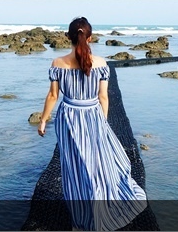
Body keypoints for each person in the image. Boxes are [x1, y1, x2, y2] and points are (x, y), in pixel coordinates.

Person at [38, 16, 147, 231]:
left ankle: (83, 215)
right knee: (97, 166)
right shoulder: (101, 64)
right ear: (90, 37)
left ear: (68, 37)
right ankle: (101, 207)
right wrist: (102, 123)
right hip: (93, 116)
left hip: (69, 119)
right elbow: (103, 97)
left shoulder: (58, 64)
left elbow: (53, 96)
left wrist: (43, 120)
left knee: (74, 168)